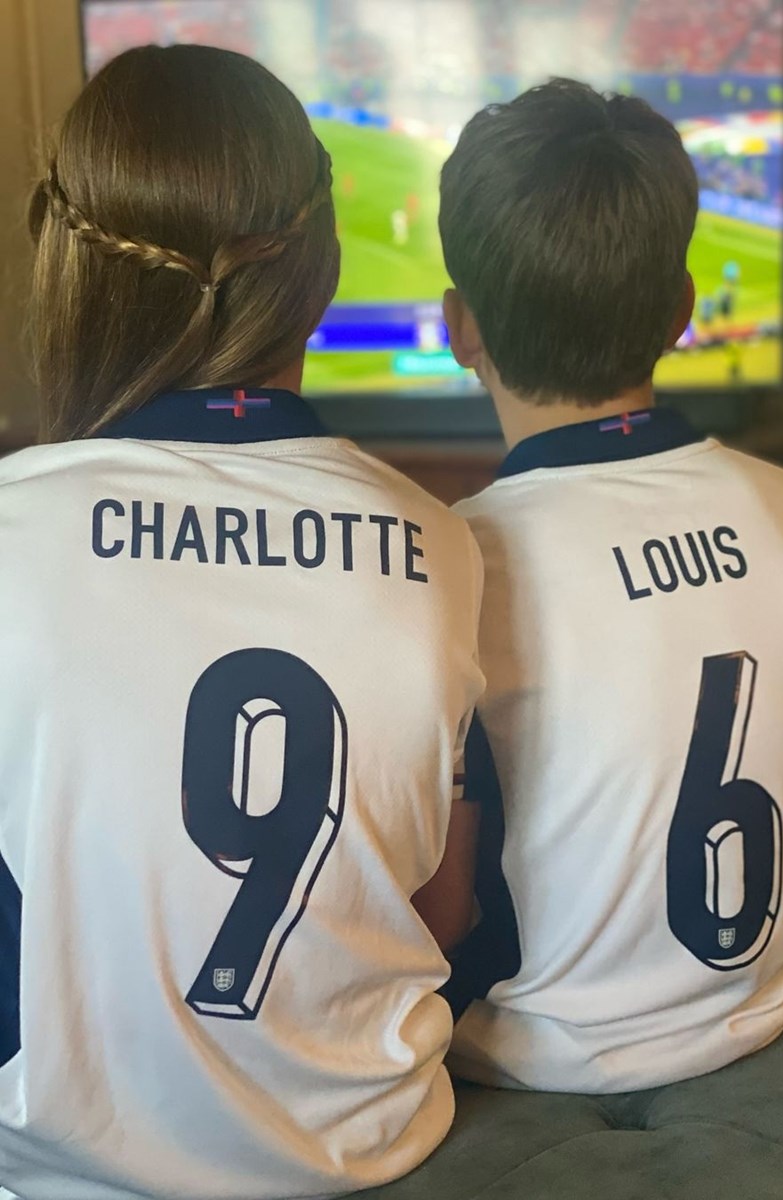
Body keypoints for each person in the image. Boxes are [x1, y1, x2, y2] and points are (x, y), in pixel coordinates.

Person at [0, 45, 483, 1200]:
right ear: (316, 278)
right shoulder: (441, 542)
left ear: (60, 260)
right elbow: (445, 911)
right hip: (374, 1154)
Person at [423, 78, 783, 1097]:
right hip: (761, 1020)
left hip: (530, 1067)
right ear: (682, 312)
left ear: (458, 326)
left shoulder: (452, 567)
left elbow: (432, 907)